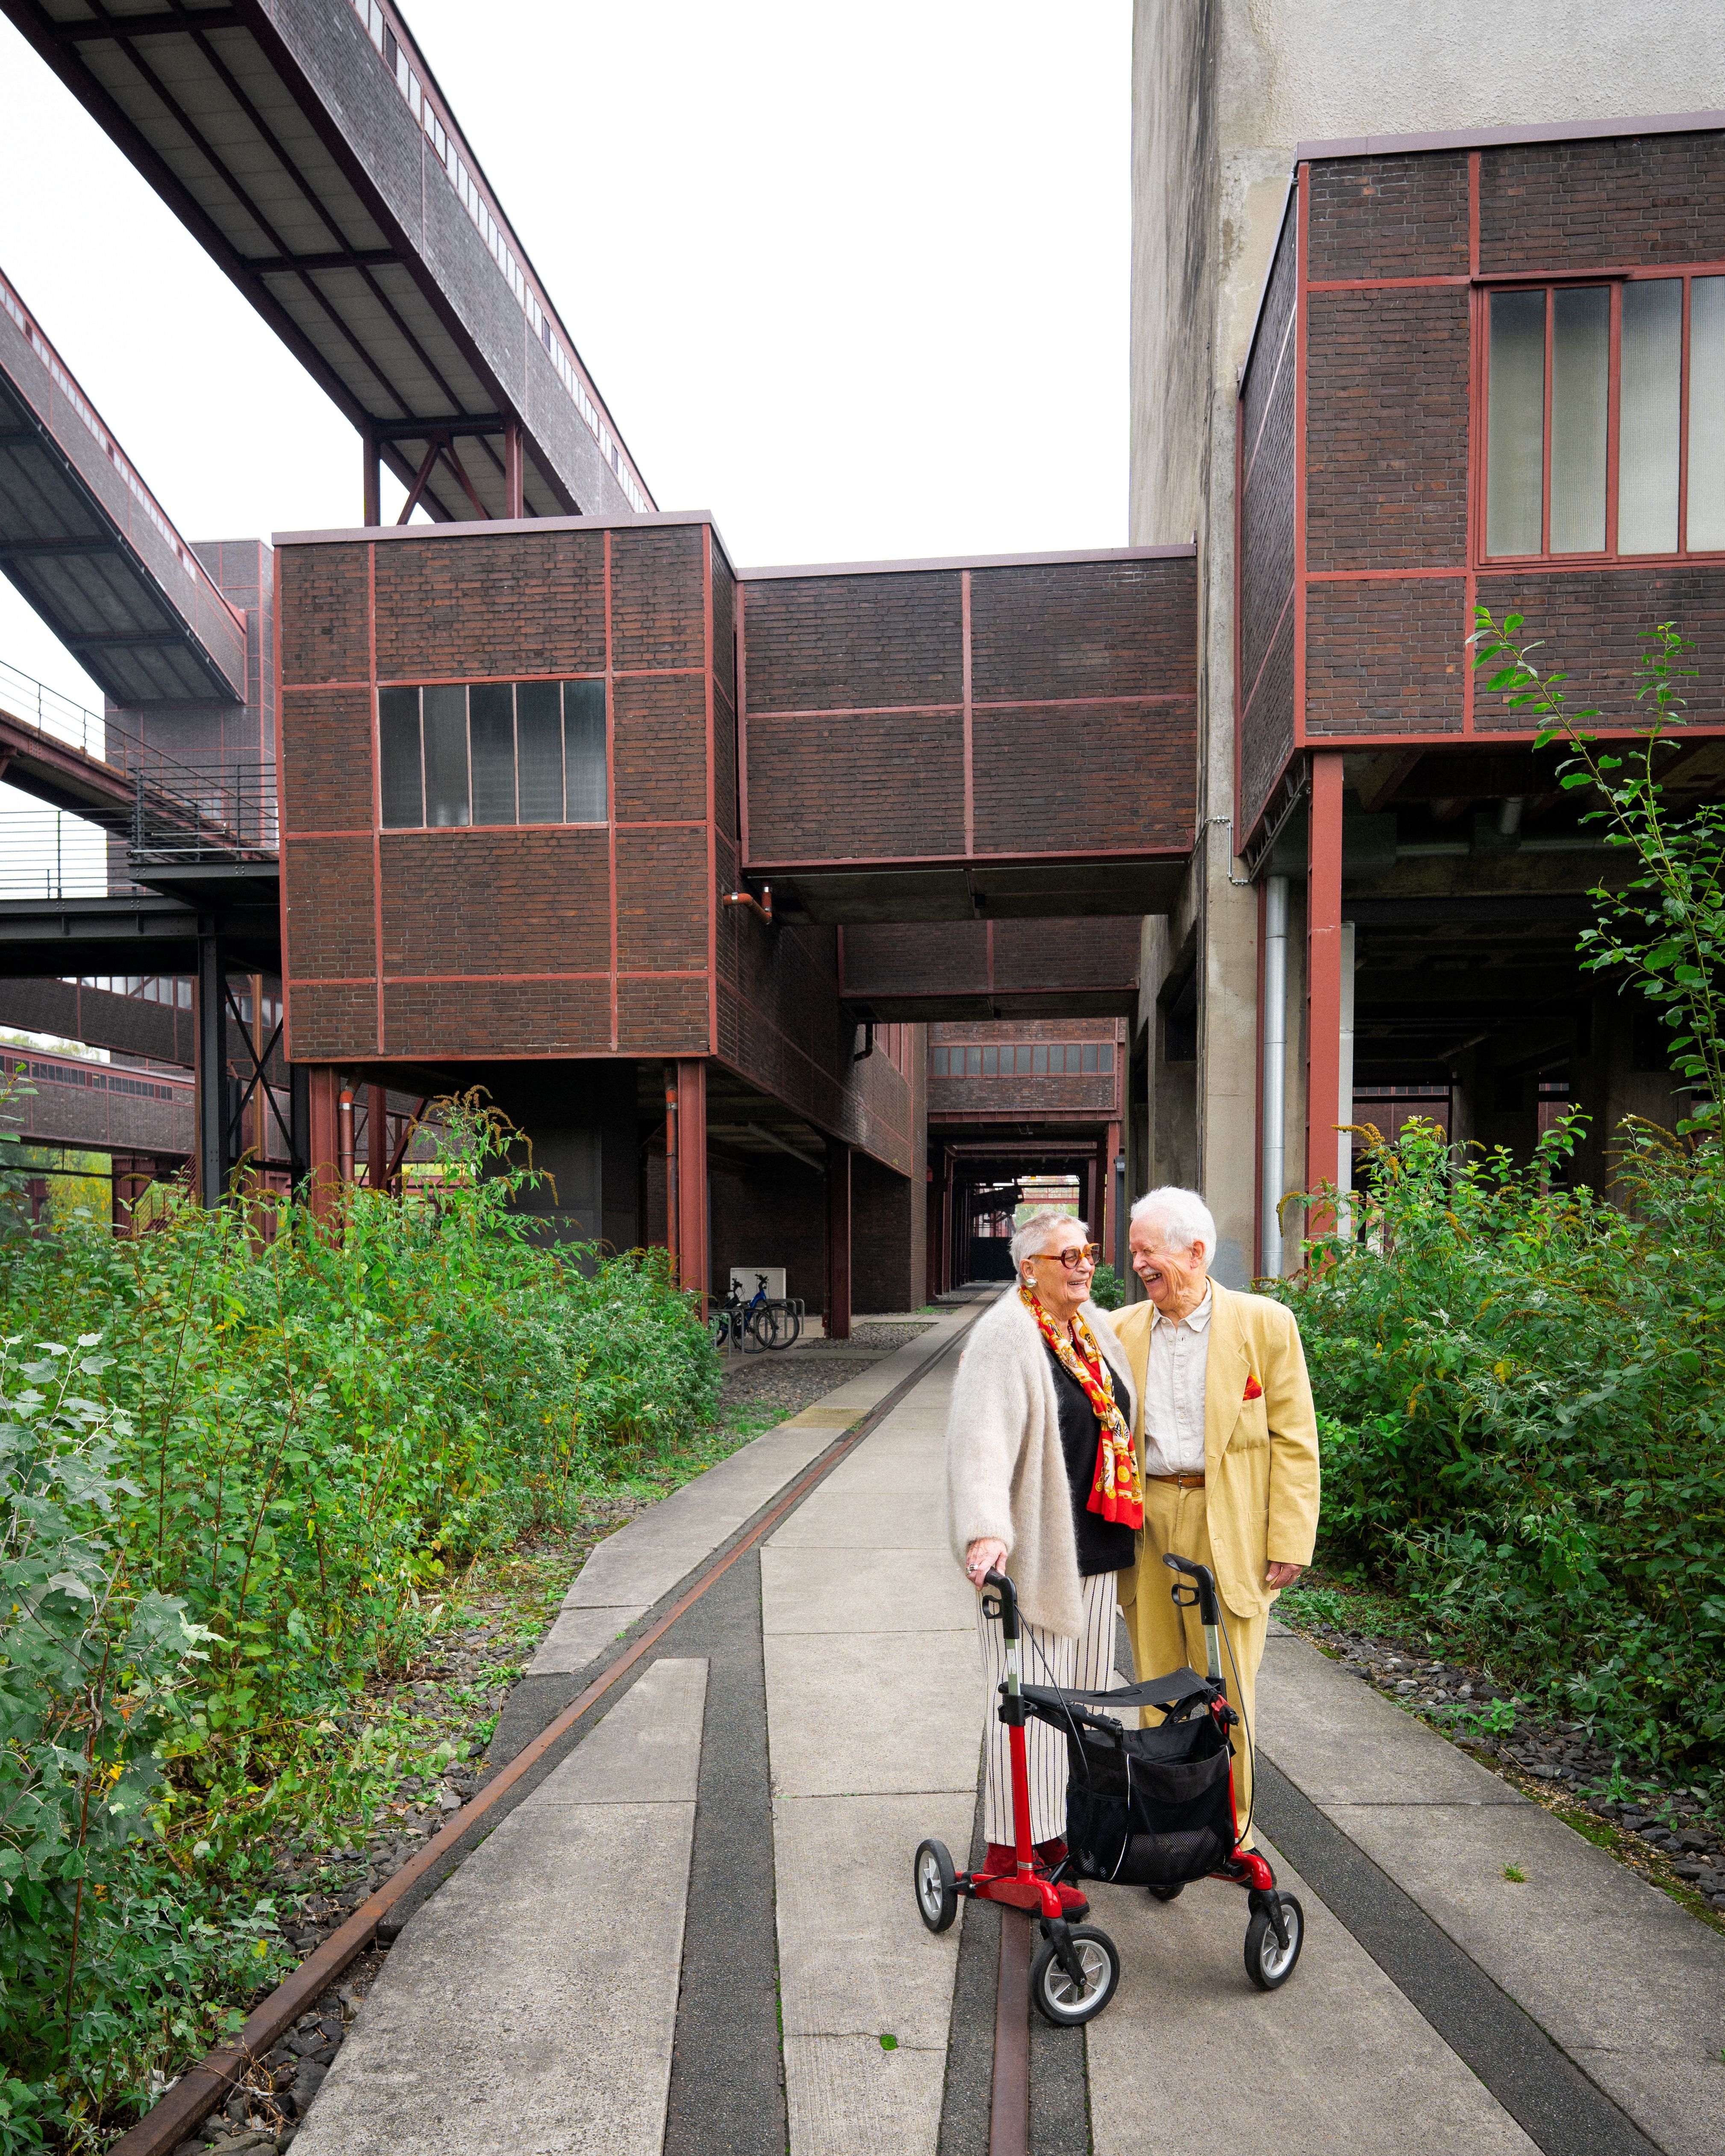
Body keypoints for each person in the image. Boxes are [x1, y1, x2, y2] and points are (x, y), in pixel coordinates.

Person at [1112, 1186, 1319, 1848]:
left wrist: (1289, 1537)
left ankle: (1231, 1827)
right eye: (1135, 1249)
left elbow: (1295, 1438)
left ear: (1197, 1252)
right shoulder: (1118, 1330)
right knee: (1155, 1682)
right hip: (1149, 1519)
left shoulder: (1266, 1324)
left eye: (1149, 1250)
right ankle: (1166, 1822)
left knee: (1228, 1684)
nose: (1138, 1262)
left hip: (1228, 1519)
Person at [946, 1206, 1140, 1905]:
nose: (1085, 1263)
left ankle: (1054, 1835)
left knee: (1077, 1704)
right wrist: (984, 1532)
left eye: (1087, 1250)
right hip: (1033, 1559)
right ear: (1030, 1267)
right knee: (1021, 1701)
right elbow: (980, 1440)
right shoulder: (1006, 1333)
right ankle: (1009, 1853)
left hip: (1098, 1548)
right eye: (1068, 1255)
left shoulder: (1094, 1329)